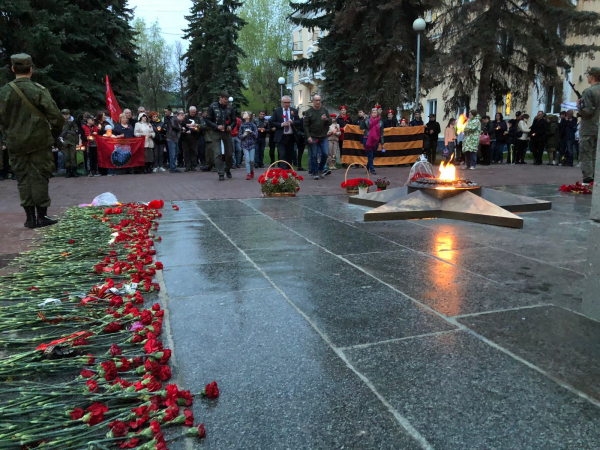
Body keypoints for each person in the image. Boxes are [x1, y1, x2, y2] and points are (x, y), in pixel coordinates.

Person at [0, 53, 64, 228]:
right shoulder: (38, 90)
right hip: (39, 141)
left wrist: (6, 135)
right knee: (40, 176)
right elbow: (57, 117)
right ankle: (42, 216)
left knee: (22, 177)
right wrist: (54, 134)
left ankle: (29, 217)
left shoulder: (3, 92)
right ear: (31, 70)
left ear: (13, 69)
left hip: (15, 142)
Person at [206, 91, 236, 181]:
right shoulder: (213, 106)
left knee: (229, 153)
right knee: (218, 153)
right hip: (216, 132)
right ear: (220, 98)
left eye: (228, 99)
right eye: (225, 99)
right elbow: (208, 120)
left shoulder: (230, 108)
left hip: (227, 132)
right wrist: (216, 126)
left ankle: (227, 169)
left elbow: (234, 120)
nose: (227, 101)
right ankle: (220, 172)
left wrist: (231, 126)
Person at [578, 67, 600, 184]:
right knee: (596, 155)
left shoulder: (589, 92)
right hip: (598, 128)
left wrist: (578, 106)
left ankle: (588, 179)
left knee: (586, 153)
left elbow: (586, 111)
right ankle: (597, 178)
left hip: (589, 127)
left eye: (588, 76)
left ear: (592, 77)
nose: (587, 77)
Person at [304, 94, 332, 180]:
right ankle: (315, 172)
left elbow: (330, 122)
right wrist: (308, 136)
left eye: (319, 100)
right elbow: (305, 125)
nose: (318, 102)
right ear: (313, 101)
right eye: (316, 100)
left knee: (325, 153)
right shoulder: (309, 112)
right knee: (314, 155)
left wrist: (326, 119)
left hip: (323, 137)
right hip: (313, 136)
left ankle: (321, 169)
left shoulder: (324, 111)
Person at [271, 96, 300, 169]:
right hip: (281, 137)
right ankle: (283, 173)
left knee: (290, 155)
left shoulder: (294, 111)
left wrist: (293, 122)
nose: (287, 104)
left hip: (290, 137)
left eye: (288, 103)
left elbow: (299, 122)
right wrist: (281, 124)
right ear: (282, 103)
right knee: (282, 155)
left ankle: (289, 173)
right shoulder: (277, 111)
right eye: (285, 103)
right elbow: (272, 122)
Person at [360, 108, 384, 175]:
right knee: (370, 154)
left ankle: (367, 167)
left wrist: (382, 143)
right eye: (372, 112)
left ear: (377, 114)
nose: (373, 114)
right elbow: (361, 128)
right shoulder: (367, 120)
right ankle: (372, 169)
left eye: (375, 112)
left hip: (376, 140)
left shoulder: (380, 122)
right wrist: (363, 120)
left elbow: (382, 134)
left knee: (373, 155)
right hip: (367, 138)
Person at [59, 109, 80, 178]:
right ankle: (68, 171)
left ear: (69, 115)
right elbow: (58, 133)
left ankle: (74, 171)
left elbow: (76, 132)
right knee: (66, 157)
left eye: (67, 114)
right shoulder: (59, 123)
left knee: (73, 156)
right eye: (64, 114)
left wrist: (67, 131)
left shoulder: (72, 123)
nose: (65, 116)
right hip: (64, 142)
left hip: (72, 142)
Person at [181, 106, 201, 172]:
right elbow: (182, 124)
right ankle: (187, 166)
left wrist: (195, 128)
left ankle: (193, 165)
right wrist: (187, 125)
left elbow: (200, 127)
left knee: (194, 152)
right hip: (186, 138)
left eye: (194, 112)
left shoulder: (197, 118)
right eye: (192, 112)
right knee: (186, 152)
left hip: (194, 138)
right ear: (189, 111)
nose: (193, 113)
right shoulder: (185, 117)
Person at [239, 111, 258, 180]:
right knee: (247, 160)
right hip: (244, 145)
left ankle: (251, 170)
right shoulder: (242, 125)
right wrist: (244, 135)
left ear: (249, 116)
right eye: (243, 113)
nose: (244, 114)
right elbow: (239, 136)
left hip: (252, 144)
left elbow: (256, 135)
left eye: (246, 113)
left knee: (252, 160)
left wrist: (251, 132)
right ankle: (248, 173)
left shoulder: (253, 125)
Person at [163, 106, 182, 173]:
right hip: (171, 137)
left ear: (170, 111)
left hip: (174, 137)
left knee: (175, 152)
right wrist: (180, 129)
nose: (165, 113)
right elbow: (174, 126)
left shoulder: (172, 118)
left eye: (166, 111)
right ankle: (172, 167)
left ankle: (173, 166)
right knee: (172, 153)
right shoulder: (171, 118)